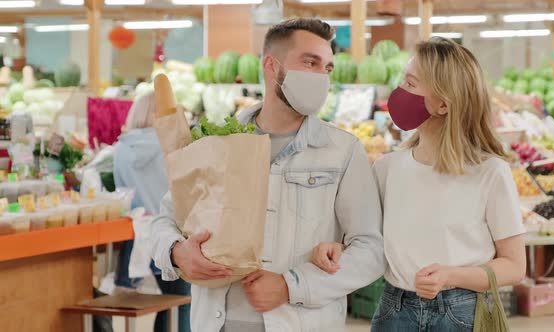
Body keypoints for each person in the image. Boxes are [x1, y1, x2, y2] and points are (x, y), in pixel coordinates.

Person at [151, 18, 385, 332]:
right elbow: (164, 219)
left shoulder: (342, 151)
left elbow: (370, 250)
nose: (321, 76)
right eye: (310, 62)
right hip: (214, 323)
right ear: (271, 66)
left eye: (327, 68)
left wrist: (294, 286)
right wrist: (177, 253)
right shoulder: (214, 141)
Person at [313, 37, 527, 332]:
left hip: (462, 312)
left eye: (411, 84)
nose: (401, 92)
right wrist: (336, 246)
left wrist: (451, 276)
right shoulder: (387, 168)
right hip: (394, 309)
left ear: (443, 104)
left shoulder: (490, 172)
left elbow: (515, 266)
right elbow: (364, 239)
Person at [113, 92, 191, 332]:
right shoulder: (173, 146)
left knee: (165, 304)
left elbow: (120, 193)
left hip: (136, 237)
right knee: (181, 304)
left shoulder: (120, 149)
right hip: (174, 232)